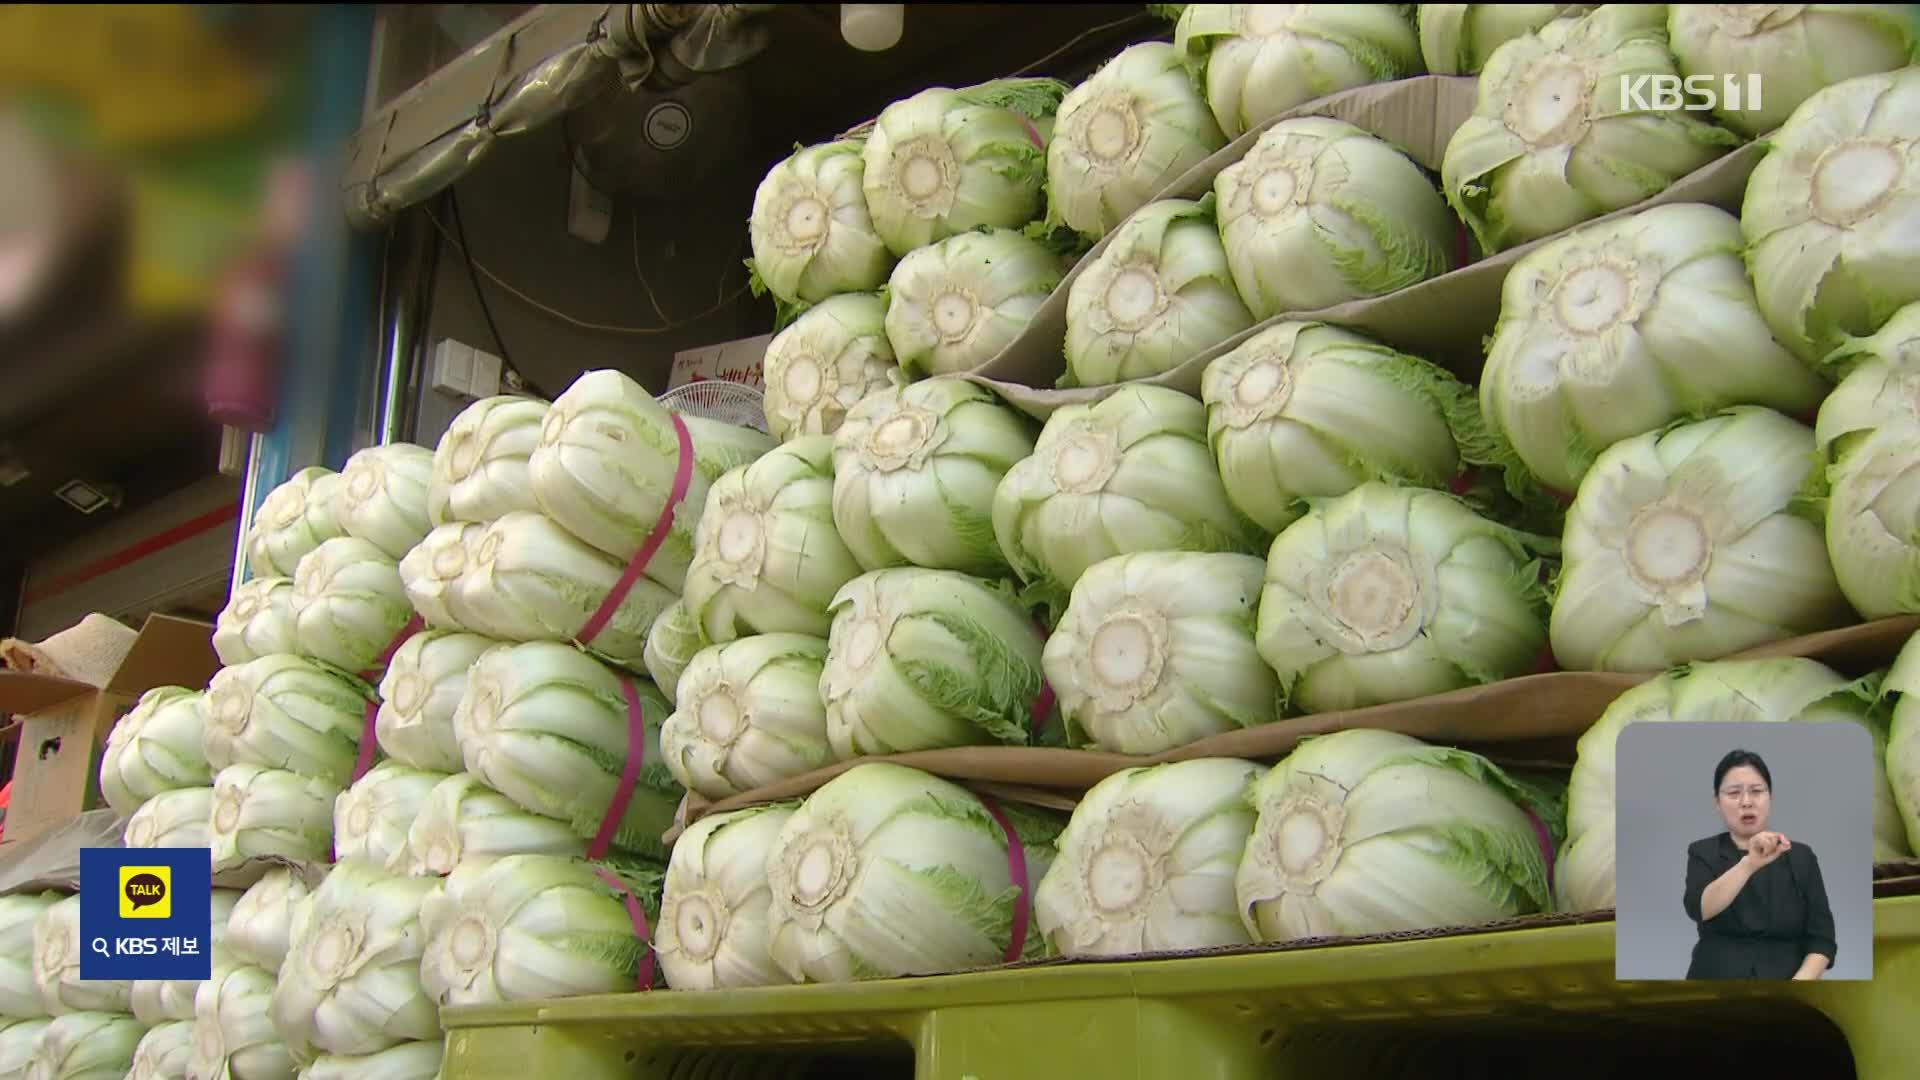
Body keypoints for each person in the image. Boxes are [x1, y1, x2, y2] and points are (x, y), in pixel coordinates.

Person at [1681, 749, 1836, 980]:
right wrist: (1749, 864)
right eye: (1733, 793)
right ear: (1717, 803)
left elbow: (1822, 940)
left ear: (1770, 797)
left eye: (1756, 791)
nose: (1746, 802)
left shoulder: (1802, 857)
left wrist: (1797, 987)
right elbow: (1700, 909)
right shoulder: (1703, 852)